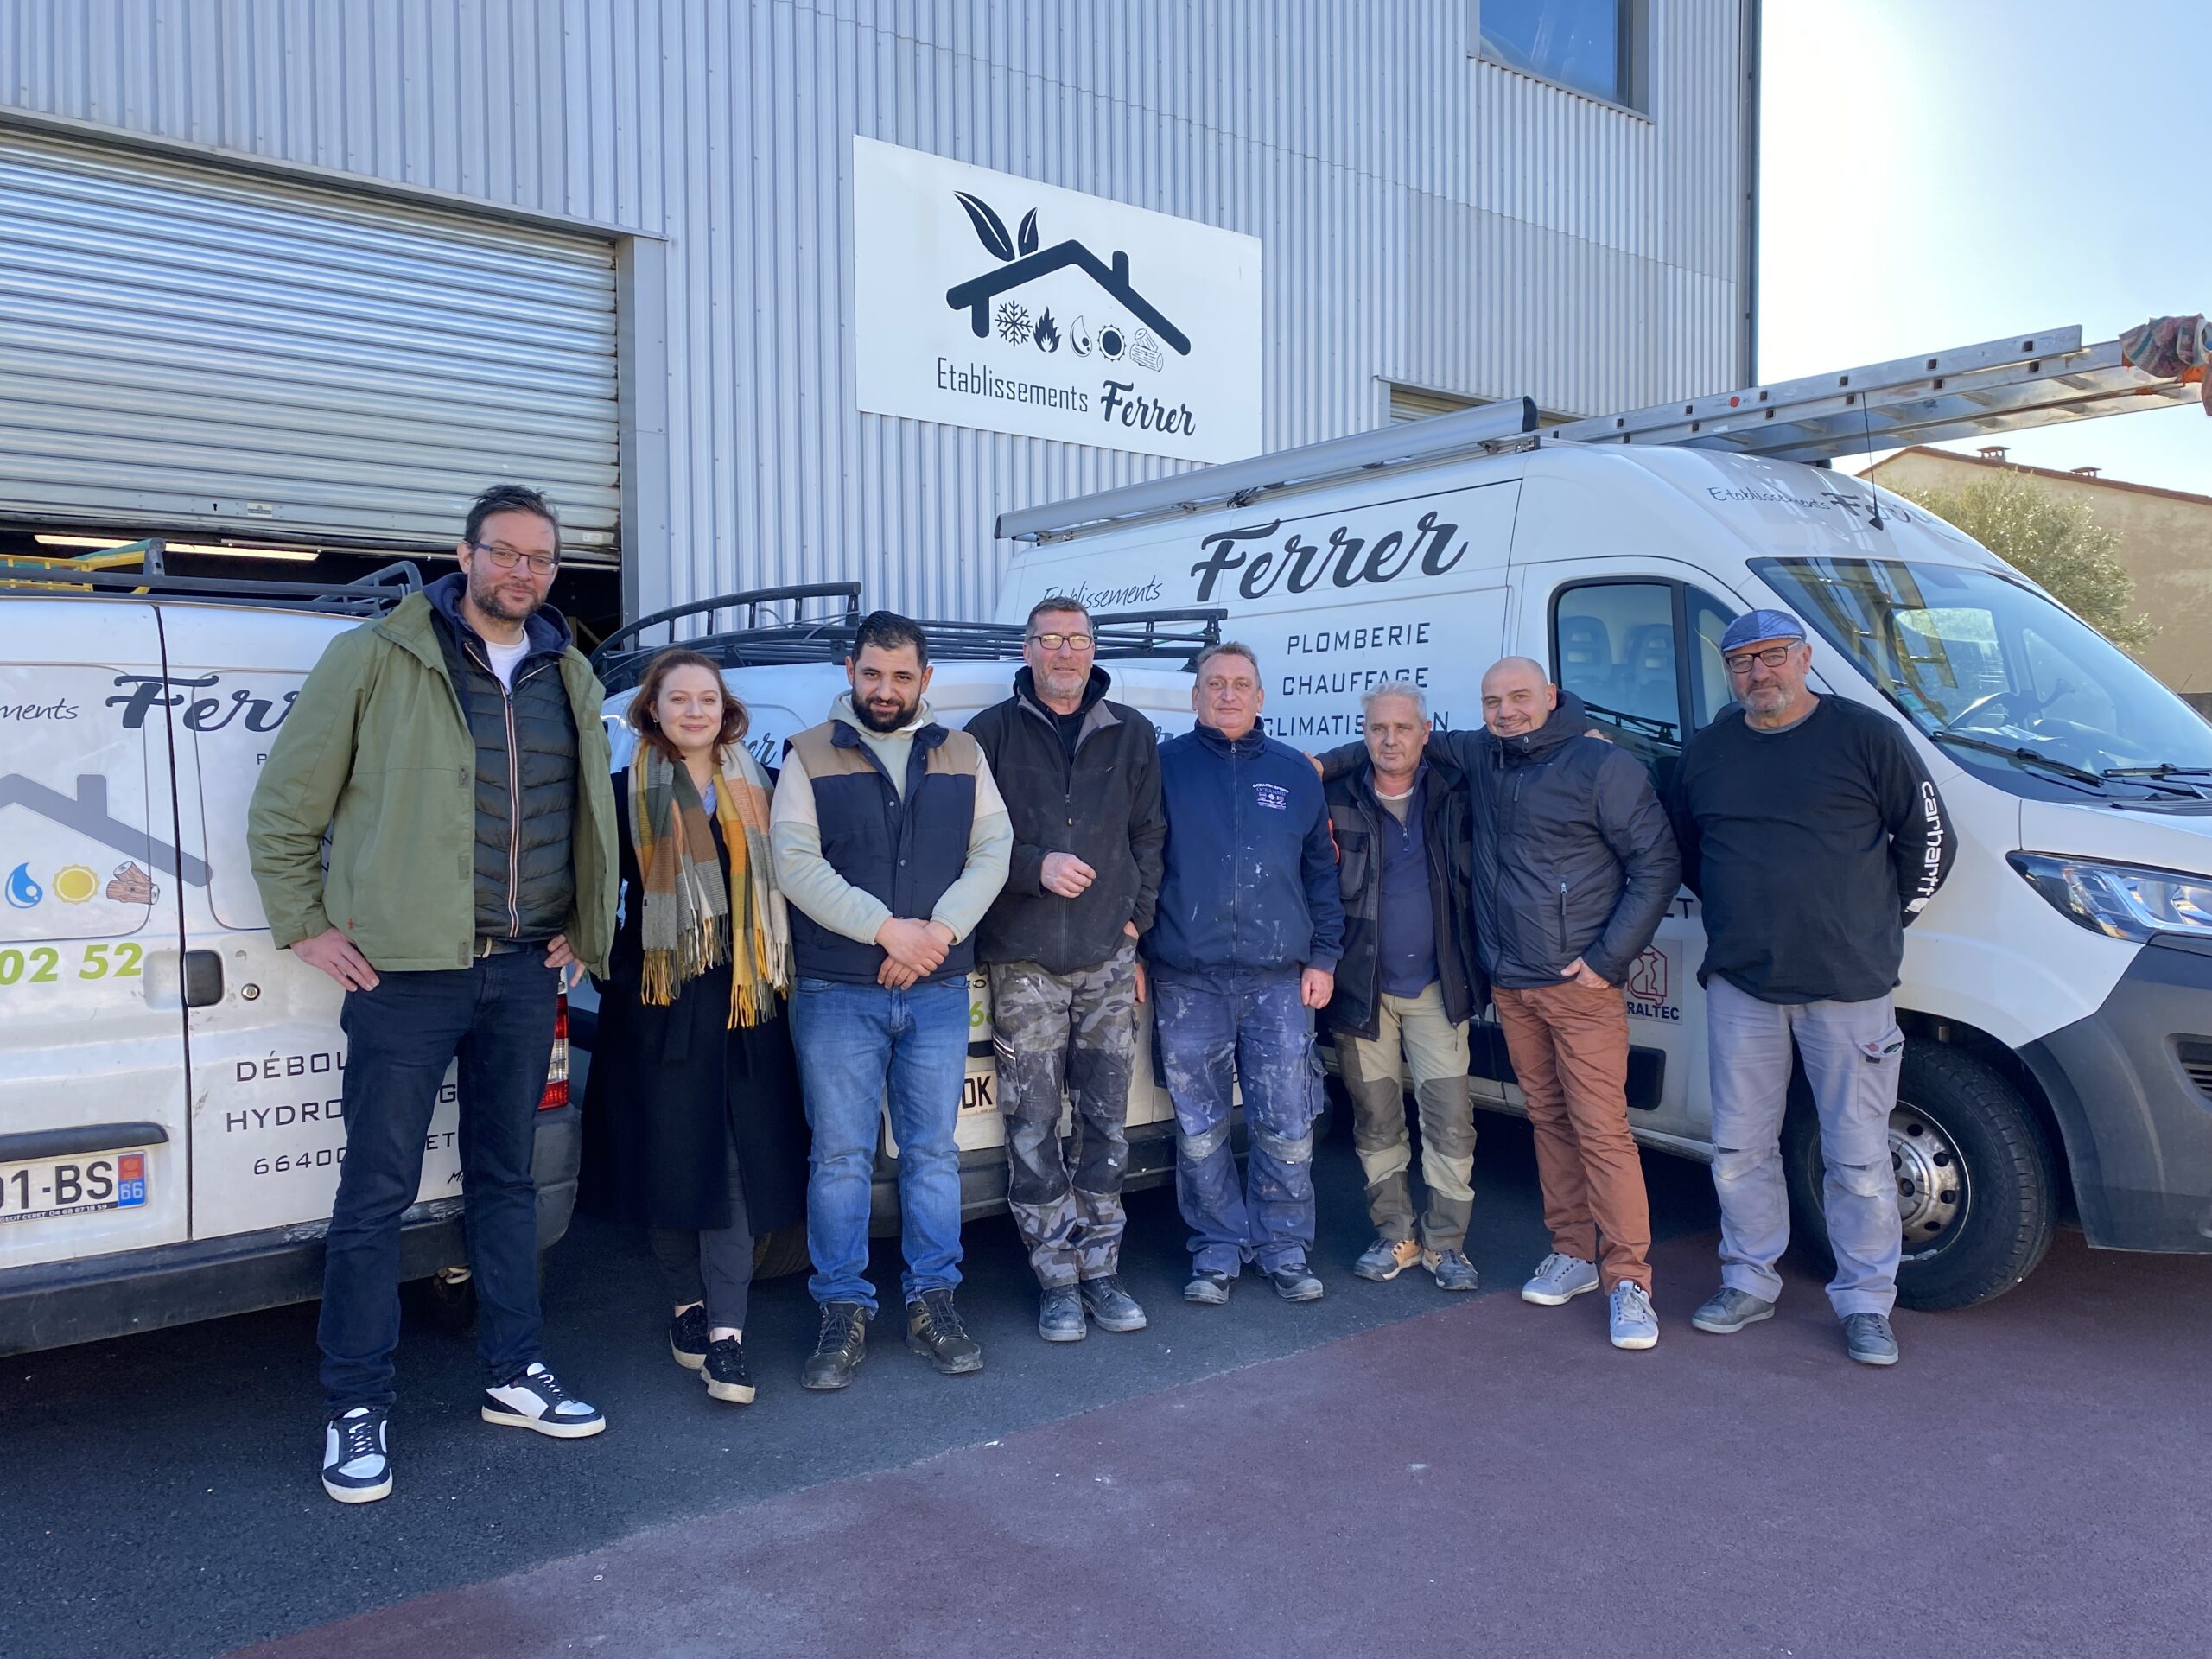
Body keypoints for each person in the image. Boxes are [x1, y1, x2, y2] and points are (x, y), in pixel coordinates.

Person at [248, 484, 617, 1505]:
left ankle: (513, 1372)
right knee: (376, 1192)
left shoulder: (570, 671)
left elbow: (587, 812)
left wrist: (589, 928)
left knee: (506, 1181)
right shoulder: (377, 657)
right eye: (506, 553)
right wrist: (305, 924)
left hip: (522, 968)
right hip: (407, 972)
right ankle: (355, 1401)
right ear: (465, 555)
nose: (524, 573)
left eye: (541, 559)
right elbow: (286, 806)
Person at [1322, 658, 1678, 1347]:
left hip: (1579, 987)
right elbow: (1393, 739)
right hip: (1513, 984)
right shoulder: (1482, 754)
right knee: (1547, 1120)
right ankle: (1573, 1252)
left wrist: (1607, 961)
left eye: (1519, 697)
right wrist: (1313, 765)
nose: (1506, 711)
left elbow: (1657, 863)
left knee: (1603, 1130)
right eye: (1492, 701)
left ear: (1551, 696)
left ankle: (1629, 1279)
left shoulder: (1600, 766)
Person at [1672, 610, 1954, 1368]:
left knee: (1858, 1157)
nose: (1758, 674)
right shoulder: (1708, 753)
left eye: (1772, 658)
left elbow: (1930, 841)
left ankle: (1866, 1302)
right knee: (1737, 1148)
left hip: (1848, 988)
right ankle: (1749, 1280)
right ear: (1727, 673)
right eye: (1742, 663)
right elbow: (1693, 854)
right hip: (1744, 986)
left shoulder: (1867, 737)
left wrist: (1880, 927)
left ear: (1803, 659)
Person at [770, 612, 1012, 1389]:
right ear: (851, 670)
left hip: (937, 987)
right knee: (838, 1158)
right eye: (872, 673)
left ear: (925, 679)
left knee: (934, 1154)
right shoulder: (808, 753)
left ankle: (932, 1302)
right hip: (839, 989)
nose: (885, 689)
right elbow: (795, 865)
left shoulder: (965, 753)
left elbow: (994, 851)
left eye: (902, 675)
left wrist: (934, 934)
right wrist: (887, 933)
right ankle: (842, 1309)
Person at [577, 649, 809, 1408]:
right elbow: (583, 886)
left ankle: (729, 1338)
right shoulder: (621, 792)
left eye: (706, 698)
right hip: (658, 1000)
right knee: (671, 1157)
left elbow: (797, 879)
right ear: (653, 709)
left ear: (724, 708)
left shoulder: (763, 789)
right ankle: (687, 1307)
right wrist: (571, 942)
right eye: (679, 699)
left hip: (747, 1003)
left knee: (738, 1164)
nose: (695, 711)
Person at [967, 599, 1166, 1343]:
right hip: (1024, 961)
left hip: (1108, 960)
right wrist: (1032, 866)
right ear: (1028, 650)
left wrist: (1134, 918)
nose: (1064, 652)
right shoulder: (988, 734)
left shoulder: (1132, 732)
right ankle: (1055, 1276)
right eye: (1049, 640)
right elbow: (967, 841)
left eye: (1076, 640)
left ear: (1092, 648)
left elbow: (1151, 835)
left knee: (1108, 1123)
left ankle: (1103, 1271)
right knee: (1033, 1123)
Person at [1148, 642, 1344, 1306]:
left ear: (1261, 698)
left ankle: (1284, 1248)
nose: (1228, 695)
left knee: (1286, 1124)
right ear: (1196, 697)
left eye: (1241, 684)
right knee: (1200, 1130)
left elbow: (1322, 871)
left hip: (1278, 983)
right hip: (1187, 981)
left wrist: (1324, 957)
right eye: (1215, 684)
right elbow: (1142, 865)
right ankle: (1217, 1250)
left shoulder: (1295, 774)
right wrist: (1142, 955)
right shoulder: (1163, 767)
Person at [1321, 683, 1484, 1292]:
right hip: (1362, 993)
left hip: (1437, 990)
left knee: (1450, 1120)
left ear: (1426, 730)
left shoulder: (1455, 793)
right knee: (1376, 1120)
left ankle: (1447, 1245)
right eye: (1377, 729)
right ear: (1363, 735)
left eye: (1402, 728)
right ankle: (1397, 1236)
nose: (1390, 740)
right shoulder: (1335, 797)